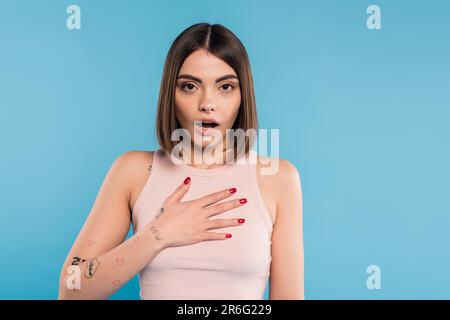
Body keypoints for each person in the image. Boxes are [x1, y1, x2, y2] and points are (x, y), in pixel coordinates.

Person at [58, 23, 304, 300]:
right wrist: (159, 233)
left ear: (242, 95)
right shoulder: (133, 171)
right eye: (189, 86)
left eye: (225, 86)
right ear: (170, 96)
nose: (207, 103)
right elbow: (72, 290)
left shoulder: (278, 178)